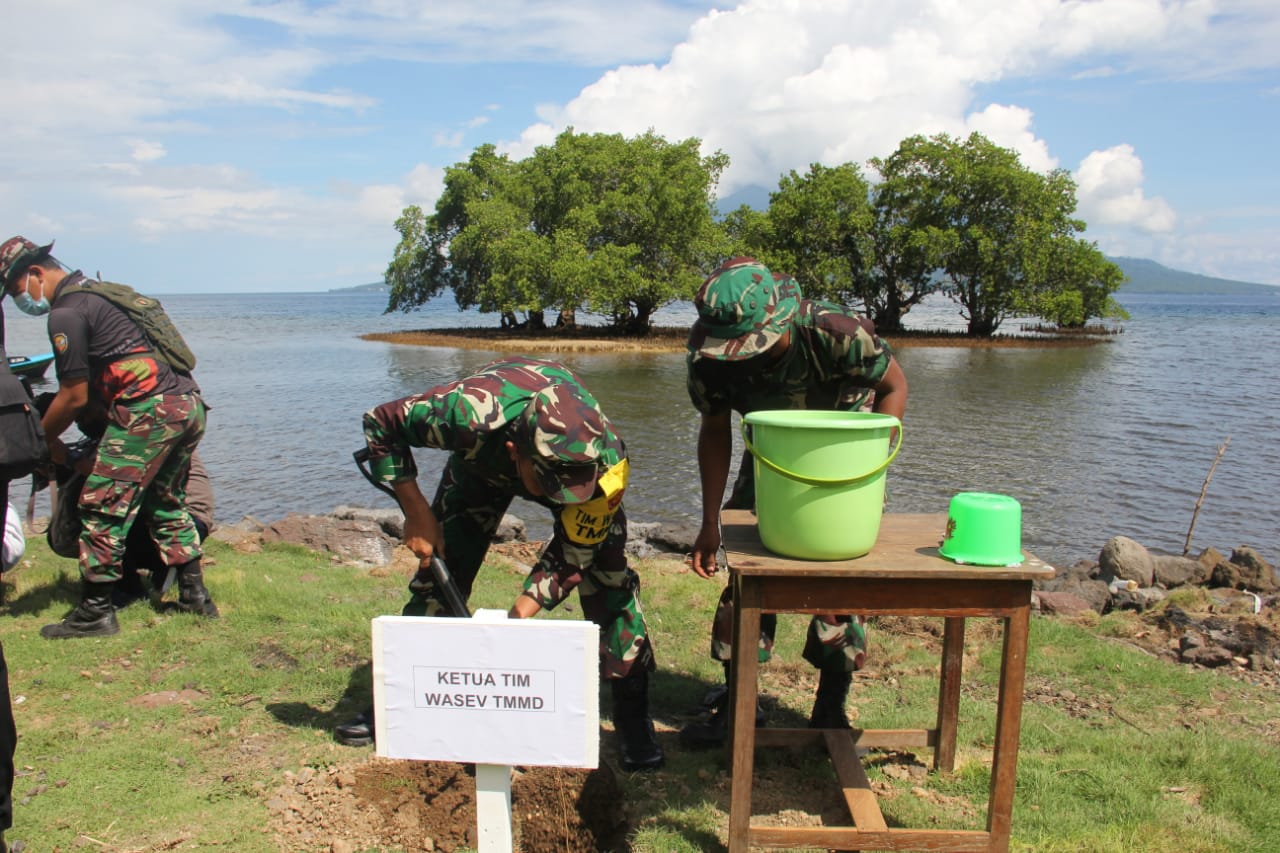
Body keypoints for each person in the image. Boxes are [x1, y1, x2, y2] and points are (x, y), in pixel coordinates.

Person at [337, 356, 664, 771]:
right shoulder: (466, 412)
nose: (561, 499)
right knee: (441, 571)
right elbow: (381, 422)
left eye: (569, 489)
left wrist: (515, 623)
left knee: (609, 579)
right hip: (479, 465)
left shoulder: (608, 466)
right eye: (551, 486)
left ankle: (633, 716)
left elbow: (575, 552)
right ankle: (399, 700)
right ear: (515, 453)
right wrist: (416, 511)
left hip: (580, 479)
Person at [681, 257, 909, 749]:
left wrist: (871, 470)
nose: (736, 357)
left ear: (780, 320)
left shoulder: (835, 333)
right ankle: (740, 704)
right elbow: (715, 431)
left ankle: (830, 707)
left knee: (839, 584)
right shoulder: (709, 360)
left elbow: (893, 386)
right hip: (770, 456)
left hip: (844, 457)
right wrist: (710, 523)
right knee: (748, 578)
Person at [0, 236, 215, 639]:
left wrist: (37, 441)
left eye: (16, 290)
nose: (19, 300)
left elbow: (73, 395)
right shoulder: (100, 296)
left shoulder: (66, 313)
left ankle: (95, 611)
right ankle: (195, 596)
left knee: (100, 507)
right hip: (187, 404)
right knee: (164, 501)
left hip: (148, 409)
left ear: (35, 273)